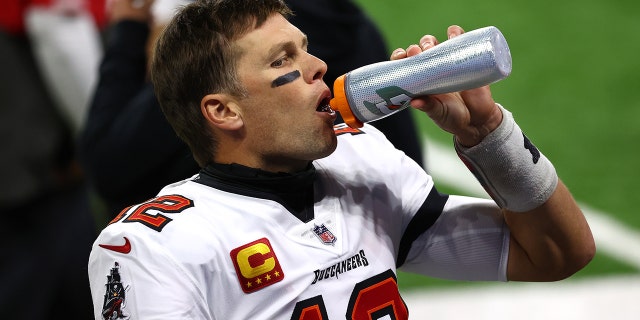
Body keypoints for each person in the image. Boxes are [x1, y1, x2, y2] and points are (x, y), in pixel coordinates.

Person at [87, 0, 595, 318]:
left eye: (304, 48)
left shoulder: (363, 161)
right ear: (223, 111)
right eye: (282, 60)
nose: (319, 66)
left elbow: (556, 253)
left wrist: (489, 136)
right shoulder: (152, 246)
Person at [80, 0, 423, 217]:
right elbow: (412, 189)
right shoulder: (353, 26)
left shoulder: (232, 49)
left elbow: (108, 164)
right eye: (283, 59)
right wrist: (477, 136)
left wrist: (127, 32)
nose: (318, 67)